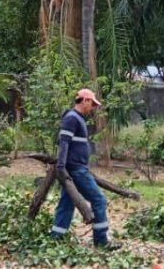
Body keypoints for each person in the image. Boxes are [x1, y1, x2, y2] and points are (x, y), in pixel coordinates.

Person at [50, 88, 118, 250]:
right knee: (99, 200)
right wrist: (61, 167)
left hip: (74, 168)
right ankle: (101, 241)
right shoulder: (72, 118)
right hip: (75, 170)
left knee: (66, 203)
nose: (93, 107)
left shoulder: (77, 118)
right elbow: (64, 143)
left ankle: (55, 239)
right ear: (85, 100)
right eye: (92, 103)